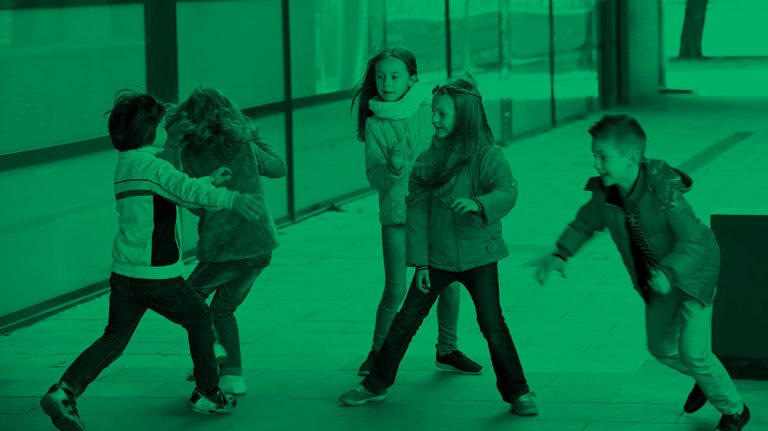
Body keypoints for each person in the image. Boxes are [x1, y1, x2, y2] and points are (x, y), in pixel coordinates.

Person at [39, 90, 259, 431]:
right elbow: (186, 191)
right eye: (160, 124)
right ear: (147, 131)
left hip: (124, 273)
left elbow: (175, 187)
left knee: (113, 339)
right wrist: (230, 198)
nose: (164, 129)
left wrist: (208, 180)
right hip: (155, 276)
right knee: (201, 320)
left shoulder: (128, 165)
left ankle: (64, 391)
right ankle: (208, 393)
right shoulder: (153, 167)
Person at [533, 114, 750, 431]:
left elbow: (694, 241)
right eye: (594, 156)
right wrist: (560, 253)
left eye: (603, 156)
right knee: (661, 348)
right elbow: (583, 223)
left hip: (694, 272)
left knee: (694, 352)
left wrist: (669, 272)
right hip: (657, 280)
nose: (596, 164)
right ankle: (706, 378)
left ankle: (735, 410)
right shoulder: (606, 196)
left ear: (632, 158)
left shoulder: (664, 191)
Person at [340, 78, 538, 416]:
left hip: (480, 257)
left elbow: (506, 192)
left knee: (492, 324)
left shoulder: (488, 155)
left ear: (465, 116)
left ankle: (518, 392)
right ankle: (375, 384)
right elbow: (416, 214)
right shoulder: (427, 159)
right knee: (405, 320)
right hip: (436, 260)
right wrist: (420, 263)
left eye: (442, 113)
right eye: (433, 112)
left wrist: (479, 204)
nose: (434, 119)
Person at [351, 47, 482, 376]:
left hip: (436, 215)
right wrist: (393, 168)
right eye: (380, 76)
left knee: (449, 285)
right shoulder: (376, 124)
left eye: (395, 76)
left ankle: (447, 349)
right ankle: (377, 352)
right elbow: (374, 177)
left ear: (412, 79)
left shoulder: (430, 111)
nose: (387, 83)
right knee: (395, 288)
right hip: (396, 217)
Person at [165, 87, 286, 396]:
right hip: (259, 246)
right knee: (222, 309)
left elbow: (194, 204)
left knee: (189, 298)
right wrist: (254, 136)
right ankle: (231, 375)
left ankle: (211, 354)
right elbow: (278, 168)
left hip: (224, 249)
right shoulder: (244, 144)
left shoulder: (191, 153)